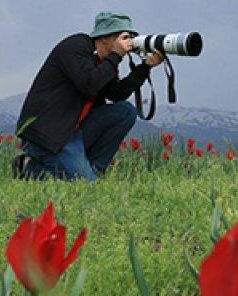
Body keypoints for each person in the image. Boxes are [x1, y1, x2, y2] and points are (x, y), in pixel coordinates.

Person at [13, 12, 163, 181]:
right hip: (49, 135)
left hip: (73, 131)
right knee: (84, 185)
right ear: (104, 37)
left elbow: (116, 94)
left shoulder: (104, 62)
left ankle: (94, 170)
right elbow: (89, 84)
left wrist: (146, 67)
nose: (127, 43)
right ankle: (28, 168)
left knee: (125, 111)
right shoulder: (75, 46)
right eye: (123, 37)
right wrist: (115, 56)